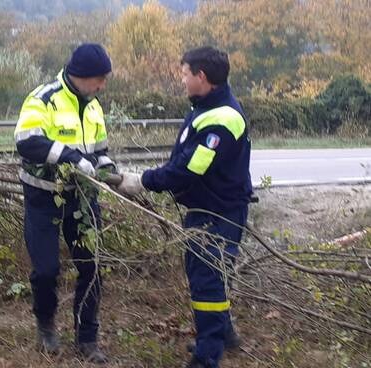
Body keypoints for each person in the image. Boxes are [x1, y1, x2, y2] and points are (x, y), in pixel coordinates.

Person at [116, 46, 252, 368]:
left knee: (207, 279)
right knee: (208, 274)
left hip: (218, 213)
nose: (183, 80)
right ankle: (224, 334)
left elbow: (191, 168)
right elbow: (183, 161)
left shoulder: (222, 120)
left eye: (185, 74)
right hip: (207, 208)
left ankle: (207, 357)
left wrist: (144, 181)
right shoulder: (206, 107)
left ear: (201, 76)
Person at [13, 43, 117, 364]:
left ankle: (87, 338)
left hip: (83, 200)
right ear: (80, 75)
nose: (101, 86)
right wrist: (71, 158)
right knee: (46, 270)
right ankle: (46, 328)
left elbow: (100, 151)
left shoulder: (94, 106)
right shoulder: (44, 98)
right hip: (43, 197)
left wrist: (110, 171)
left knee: (93, 266)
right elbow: (27, 140)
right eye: (98, 79)